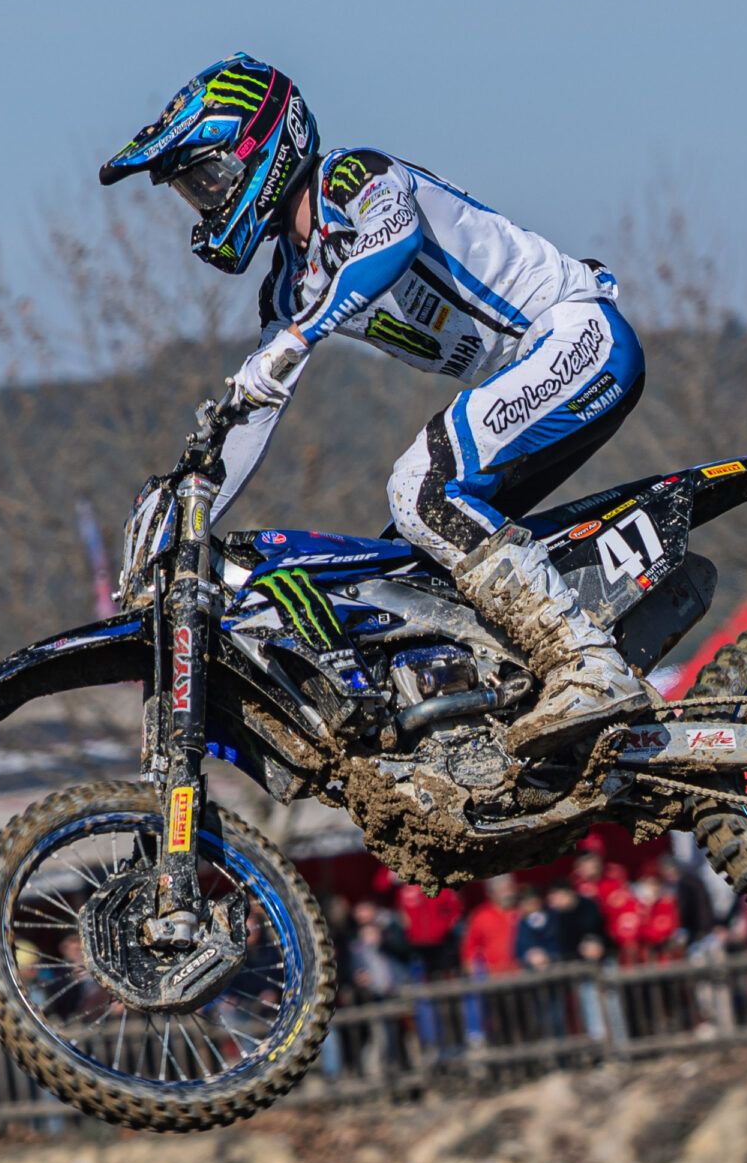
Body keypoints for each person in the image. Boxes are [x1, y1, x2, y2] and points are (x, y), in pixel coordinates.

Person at [101, 56, 649, 755]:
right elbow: (256, 411)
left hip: (577, 335)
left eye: (207, 179)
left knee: (420, 487)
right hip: (532, 374)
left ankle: (586, 662)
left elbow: (392, 245)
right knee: (408, 574)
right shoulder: (290, 287)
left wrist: (298, 339)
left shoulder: (355, 178)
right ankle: (524, 712)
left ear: (261, 151)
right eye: (191, 190)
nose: (204, 202)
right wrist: (185, 511)